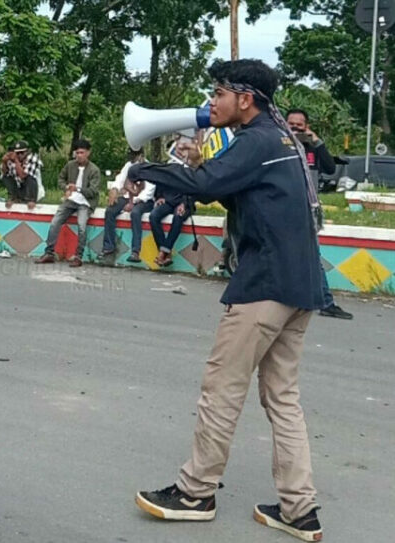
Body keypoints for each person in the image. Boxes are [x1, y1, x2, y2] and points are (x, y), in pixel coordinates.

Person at [128, 59, 324, 542]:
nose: (210, 102)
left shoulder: (256, 140)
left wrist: (143, 168)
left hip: (264, 285)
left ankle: (195, 492)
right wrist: (199, 165)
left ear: (245, 99)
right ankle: (299, 510)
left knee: (222, 388)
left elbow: (207, 187)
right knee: (283, 398)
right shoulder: (280, 140)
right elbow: (229, 187)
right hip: (300, 286)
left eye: (218, 93)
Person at [287, 109, 353, 320]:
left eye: (300, 124)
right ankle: (324, 301)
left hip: (308, 209)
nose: (295, 127)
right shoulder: (279, 146)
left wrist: (316, 141)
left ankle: (323, 301)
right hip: (284, 208)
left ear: (307, 126)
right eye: (291, 124)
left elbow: (331, 168)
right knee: (304, 254)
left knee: (309, 254)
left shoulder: (312, 149)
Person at [35, 139, 100, 267]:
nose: (79, 155)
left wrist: (77, 189)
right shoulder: (70, 165)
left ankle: (79, 256)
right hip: (71, 199)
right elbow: (60, 179)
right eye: (77, 153)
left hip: (86, 202)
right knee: (55, 222)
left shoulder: (94, 170)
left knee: (81, 226)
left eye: (82, 152)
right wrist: (66, 188)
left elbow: (93, 191)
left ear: (88, 153)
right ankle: (49, 252)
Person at [100, 148, 155, 263]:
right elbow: (120, 179)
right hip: (127, 197)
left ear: (140, 155)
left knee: (135, 213)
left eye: (134, 155)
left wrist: (133, 202)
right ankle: (108, 247)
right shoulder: (128, 165)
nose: (131, 157)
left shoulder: (149, 167)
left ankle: (135, 251)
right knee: (110, 211)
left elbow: (149, 190)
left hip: (143, 200)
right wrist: (114, 189)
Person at [148, 186, 192, 267]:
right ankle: (165, 252)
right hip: (168, 201)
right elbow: (160, 183)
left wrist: (184, 204)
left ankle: (162, 253)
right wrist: (160, 197)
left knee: (178, 216)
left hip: (184, 202)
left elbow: (191, 189)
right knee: (153, 216)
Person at [0, 140, 43, 209]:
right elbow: (4, 173)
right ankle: (14, 198)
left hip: (34, 190)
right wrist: (4, 162)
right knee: (5, 177)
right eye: (17, 153)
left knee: (29, 177)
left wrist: (16, 161)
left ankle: (31, 200)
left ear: (27, 152)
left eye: (22, 152)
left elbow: (23, 175)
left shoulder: (33, 158)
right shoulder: (11, 159)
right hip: (20, 188)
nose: (19, 155)